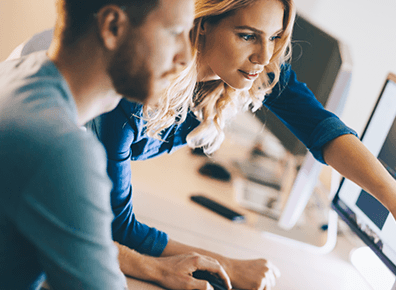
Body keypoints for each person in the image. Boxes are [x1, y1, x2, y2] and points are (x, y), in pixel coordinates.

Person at [8, 0, 396, 289]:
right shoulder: (110, 102)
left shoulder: (46, 102)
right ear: (201, 24)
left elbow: (321, 127)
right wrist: (216, 268)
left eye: (276, 38)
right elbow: (105, 228)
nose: (265, 57)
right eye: (247, 36)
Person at [0, 0, 234, 289]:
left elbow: (71, 239)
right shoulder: (60, 149)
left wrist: (156, 269)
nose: (187, 57)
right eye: (174, 33)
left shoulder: (18, 73)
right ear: (113, 27)